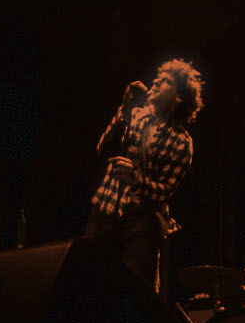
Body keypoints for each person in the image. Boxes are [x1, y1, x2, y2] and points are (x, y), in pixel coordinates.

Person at [86, 59, 203, 290]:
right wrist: (124, 109)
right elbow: (102, 147)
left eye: (166, 81)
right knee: (90, 282)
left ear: (179, 97)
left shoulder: (182, 141)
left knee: (134, 290)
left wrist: (136, 180)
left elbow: (165, 191)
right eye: (158, 77)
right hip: (105, 209)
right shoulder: (135, 115)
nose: (156, 81)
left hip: (142, 221)